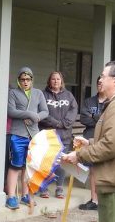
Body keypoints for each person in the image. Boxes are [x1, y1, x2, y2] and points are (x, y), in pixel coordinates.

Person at [62, 61, 115, 222]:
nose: (100, 80)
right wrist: (90, 143)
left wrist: (79, 155)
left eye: (103, 76)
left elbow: (110, 146)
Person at [4, 67, 48, 209]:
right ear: (19, 80)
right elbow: (11, 111)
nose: (25, 82)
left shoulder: (38, 93)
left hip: (33, 134)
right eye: (22, 79)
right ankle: (11, 196)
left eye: (28, 79)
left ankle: (25, 195)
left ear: (31, 80)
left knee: (28, 167)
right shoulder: (13, 93)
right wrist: (29, 114)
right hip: (18, 133)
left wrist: (37, 117)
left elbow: (44, 111)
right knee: (15, 165)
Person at [38, 71, 77, 199]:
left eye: (58, 79)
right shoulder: (43, 95)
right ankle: (45, 187)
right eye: (53, 79)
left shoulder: (69, 95)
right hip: (48, 134)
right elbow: (42, 112)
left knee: (61, 161)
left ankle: (59, 187)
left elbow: (73, 110)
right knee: (47, 161)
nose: (55, 81)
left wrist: (64, 123)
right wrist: (56, 123)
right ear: (49, 81)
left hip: (64, 135)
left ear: (62, 81)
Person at [77, 77, 106, 211]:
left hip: (105, 139)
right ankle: (94, 200)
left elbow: (109, 121)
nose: (100, 85)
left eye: (102, 83)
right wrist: (99, 119)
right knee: (93, 170)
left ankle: (103, 201)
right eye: (98, 83)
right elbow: (84, 118)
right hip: (89, 137)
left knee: (105, 170)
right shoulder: (89, 101)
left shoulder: (112, 102)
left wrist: (94, 117)